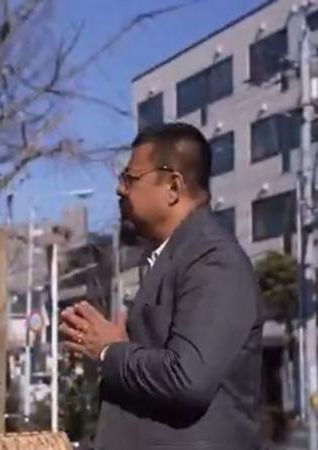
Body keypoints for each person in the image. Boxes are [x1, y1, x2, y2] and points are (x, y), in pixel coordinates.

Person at [60, 122, 263, 449]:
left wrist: (110, 350)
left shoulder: (213, 259)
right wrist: (127, 348)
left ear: (172, 186)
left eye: (130, 179)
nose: (119, 190)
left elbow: (187, 379)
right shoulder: (180, 256)